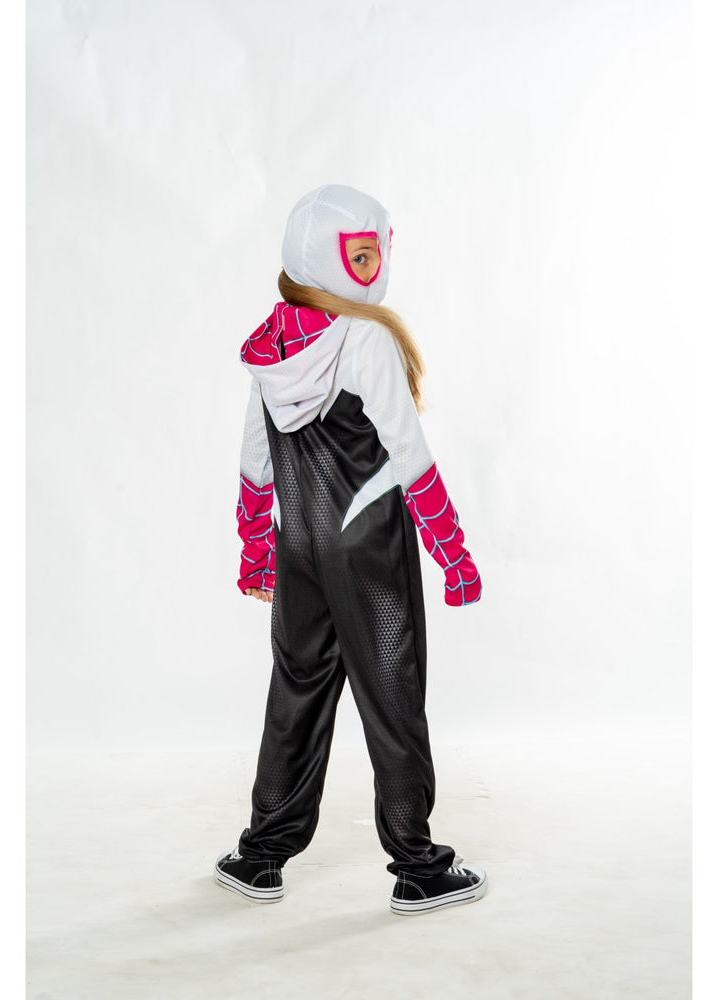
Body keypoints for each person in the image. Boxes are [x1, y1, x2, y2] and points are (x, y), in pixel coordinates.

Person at [214, 184, 487, 915]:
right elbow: (410, 456)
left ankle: (260, 856)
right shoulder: (365, 340)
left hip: (300, 548)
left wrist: (256, 552)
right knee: (393, 698)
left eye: (377, 254)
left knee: (295, 695)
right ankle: (418, 867)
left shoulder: (273, 343)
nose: (376, 270)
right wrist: (454, 556)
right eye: (361, 256)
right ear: (325, 259)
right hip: (371, 556)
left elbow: (254, 462)